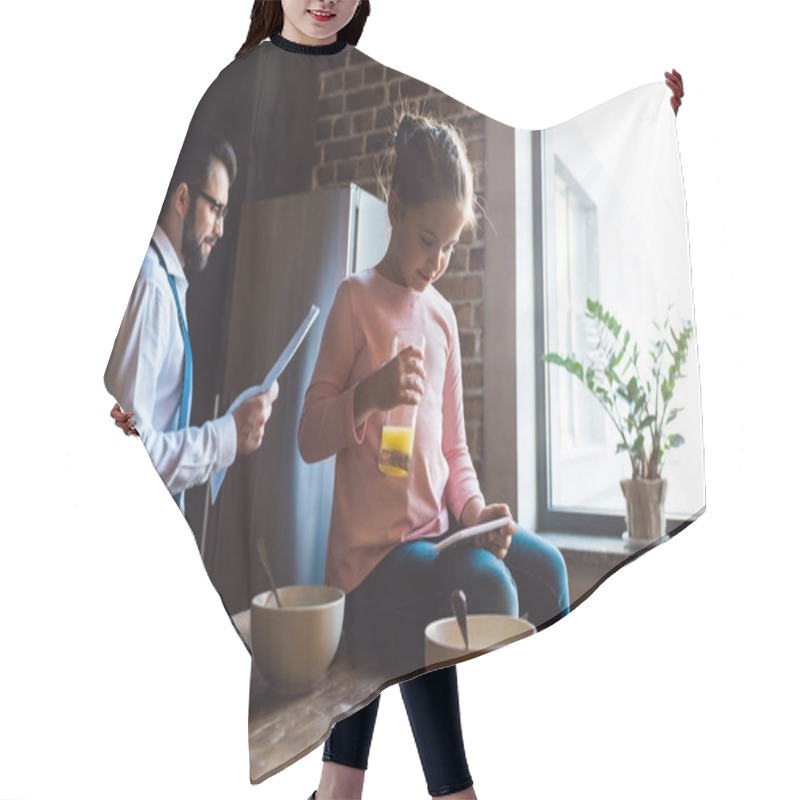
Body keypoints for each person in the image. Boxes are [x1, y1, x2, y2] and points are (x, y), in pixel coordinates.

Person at [110, 4, 687, 798]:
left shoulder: (443, 317)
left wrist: (481, 514)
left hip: (437, 544)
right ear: (395, 209)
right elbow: (309, 438)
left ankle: (346, 787)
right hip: (368, 571)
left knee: (544, 570)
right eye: (425, 240)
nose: (436, 262)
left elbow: (452, 454)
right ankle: (446, 790)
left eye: (450, 246)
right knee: (480, 597)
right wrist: (370, 394)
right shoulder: (353, 300)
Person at [105, 127, 280, 511]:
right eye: (216, 209)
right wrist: (228, 436)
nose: (220, 229)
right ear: (182, 197)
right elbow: (128, 445)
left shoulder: (165, 283)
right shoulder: (151, 282)